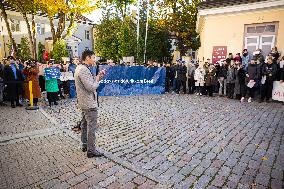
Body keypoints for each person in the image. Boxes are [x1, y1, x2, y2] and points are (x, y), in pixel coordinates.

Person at [74, 50, 106, 158]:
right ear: (87, 58)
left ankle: (84, 145)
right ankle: (91, 150)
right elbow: (91, 87)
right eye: (93, 57)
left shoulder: (81, 67)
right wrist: (97, 81)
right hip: (88, 103)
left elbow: (90, 82)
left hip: (84, 102)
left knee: (84, 124)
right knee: (91, 126)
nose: (94, 59)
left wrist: (98, 77)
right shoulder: (83, 69)